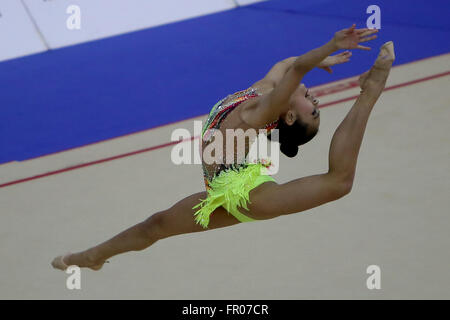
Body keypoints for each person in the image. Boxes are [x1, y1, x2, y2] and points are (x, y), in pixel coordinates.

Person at [52, 24, 394, 271]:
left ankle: (370, 91)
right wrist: (321, 60)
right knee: (154, 226)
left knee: (339, 183)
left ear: (288, 115)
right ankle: (91, 257)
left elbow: (299, 67)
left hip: (249, 197)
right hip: (222, 190)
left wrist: (330, 45)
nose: (316, 99)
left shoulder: (265, 109)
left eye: (313, 110)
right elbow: (289, 65)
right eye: (316, 103)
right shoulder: (267, 89)